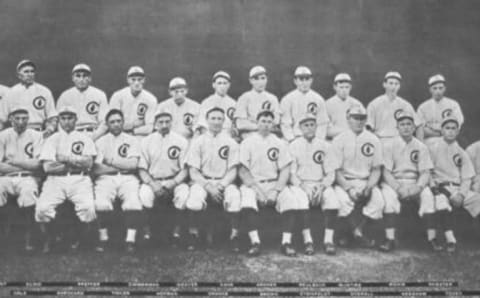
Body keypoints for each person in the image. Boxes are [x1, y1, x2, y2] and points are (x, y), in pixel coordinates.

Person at [238, 110, 309, 257]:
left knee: (289, 200)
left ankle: (286, 242)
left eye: (269, 122)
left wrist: (276, 191)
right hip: (253, 183)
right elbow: (243, 169)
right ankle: (255, 242)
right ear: (257, 123)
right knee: (247, 201)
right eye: (263, 121)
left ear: (273, 124)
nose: (266, 124)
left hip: (274, 183)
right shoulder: (247, 142)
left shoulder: (279, 143)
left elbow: (285, 169)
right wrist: (255, 189)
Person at [35, 106, 97, 253]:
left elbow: (89, 163)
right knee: (42, 209)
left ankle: (80, 240)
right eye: (63, 118)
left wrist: (64, 159)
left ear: (76, 119)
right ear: (59, 120)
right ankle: (50, 238)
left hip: (80, 179)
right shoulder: (52, 139)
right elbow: (48, 167)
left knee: (88, 209)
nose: (67, 121)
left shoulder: (85, 138)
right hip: (55, 180)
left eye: (70, 118)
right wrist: (75, 163)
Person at [379, 111, 438, 252]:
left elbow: (425, 172)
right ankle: (390, 239)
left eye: (409, 124)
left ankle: (432, 239)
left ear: (413, 127)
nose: (405, 127)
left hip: (414, 182)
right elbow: (386, 172)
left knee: (428, 197)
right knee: (389, 199)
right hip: (394, 182)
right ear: (397, 127)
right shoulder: (389, 145)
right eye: (402, 124)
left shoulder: (421, 146)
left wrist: (418, 187)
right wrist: (398, 188)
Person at [184, 107, 241, 251]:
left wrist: (220, 186)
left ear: (224, 121)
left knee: (234, 198)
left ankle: (234, 237)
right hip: (203, 181)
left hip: (224, 181)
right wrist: (209, 187)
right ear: (207, 120)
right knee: (194, 200)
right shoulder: (198, 142)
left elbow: (233, 170)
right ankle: (193, 235)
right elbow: (193, 171)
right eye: (213, 118)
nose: (216, 122)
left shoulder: (231, 142)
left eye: (220, 119)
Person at [333, 105, 384, 248]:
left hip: (365, 181)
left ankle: (357, 230)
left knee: (378, 202)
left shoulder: (373, 140)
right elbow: (335, 170)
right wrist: (349, 189)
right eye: (355, 118)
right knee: (342, 202)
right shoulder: (339, 140)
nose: (359, 121)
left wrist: (369, 187)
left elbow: (376, 169)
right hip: (344, 181)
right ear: (348, 119)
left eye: (362, 118)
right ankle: (355, 233)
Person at [289, 114, 340, 255]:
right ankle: (308, 241)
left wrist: (322, 186)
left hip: (320, 183)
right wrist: (302, 186)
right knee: (302, 201)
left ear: (316, 127)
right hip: (301, 184)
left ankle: (328, 241)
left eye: (312, 124)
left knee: (333, 201)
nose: (309, 128)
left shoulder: (325, 145)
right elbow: (291, 174)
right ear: (300, 127)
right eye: (306, 125)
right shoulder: (293, 145)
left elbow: (331, 173)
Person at [93, 109, 142, 253]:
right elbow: (97, 169)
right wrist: (120, 165)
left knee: (133, 202)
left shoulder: (132, 140)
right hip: (106, 178)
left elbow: (133, 165)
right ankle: (104, 239)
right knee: (101, 203)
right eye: (112, 122)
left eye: (118, 121)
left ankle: (130, 240)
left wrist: (111, 161)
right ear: (107, 124)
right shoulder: (100, 141)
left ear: (123, 122)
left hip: (128, 178)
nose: (116, 124)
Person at [428, 116, 480, 253]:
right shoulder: (433, 148)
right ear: (442, 130)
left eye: (453, 128)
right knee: (441, 203)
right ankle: (450, 240)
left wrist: (462, 195)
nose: (450, 131)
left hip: (458, 188)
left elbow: (467, 177)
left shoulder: (461, 152)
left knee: (478, 200)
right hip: (441, 187)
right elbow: (427, 172)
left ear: (458, 131)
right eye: (447, 128)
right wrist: (434, 187)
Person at [138, 111, 189, 246]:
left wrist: (174, 182)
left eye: (167, 121)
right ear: (155, 124)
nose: (164, 125)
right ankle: (147, 233)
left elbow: (185, 168)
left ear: (172, 123)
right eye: (161, 122)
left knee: (183, 195)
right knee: (144, 196)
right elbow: (142, 169)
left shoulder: (181, 141)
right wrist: (153, 184)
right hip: (153, 180)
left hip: (175, 179)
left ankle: (176, 234)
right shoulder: (146, 141)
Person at [0, 107, 43, 252]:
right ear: (11, 119)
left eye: (24, 118)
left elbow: (37, 164)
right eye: (17, 118)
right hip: (7, 178)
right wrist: (25, 165)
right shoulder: (3, 135)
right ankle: (3, 239)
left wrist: (14, 162)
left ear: (28, 119)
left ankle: (28, 239)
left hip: (28, 178)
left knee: (29, 192)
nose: (21, 122)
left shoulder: (36, 135)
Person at [0, 60, 57, 136]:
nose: (29, 74)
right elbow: (1, 118)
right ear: (19, 75)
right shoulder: (11, 93)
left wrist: (49, 130)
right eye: (26, 72)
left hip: (38, 132)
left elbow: (52, 117)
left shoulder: (44, 91)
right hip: (16, 134)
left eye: (32, 71)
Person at [366, 71, 422, 145]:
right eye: (391, 83)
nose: (393, 87)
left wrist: (419, 145)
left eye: (396, 84)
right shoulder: (374, 104)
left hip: (400, 141)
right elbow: (368, 128)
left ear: (399, 86)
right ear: (384, 84)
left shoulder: (405, 105)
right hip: (381, 141)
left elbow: (418, 125)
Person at [56, 64, 109, 140]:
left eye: (85, 76)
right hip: (71, 134)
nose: (81, 79)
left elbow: (105, 122)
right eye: (78, 76)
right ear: (73, 78)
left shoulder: (99, 94)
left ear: (90, 78)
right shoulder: (65, 96)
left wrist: (94, 137)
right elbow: (59, 121)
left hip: (93, 134)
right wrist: (66, 137)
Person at [280, 66, 328, 142]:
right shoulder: (287, 99)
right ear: (295, 81)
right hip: (295, 137)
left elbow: (322, 123)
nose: (304, 83)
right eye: (301, 79)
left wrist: (318, 140)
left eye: (307, 79)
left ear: (311, 80)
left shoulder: (318, 99)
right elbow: (285, 124)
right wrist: (292, 139)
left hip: (314, 138)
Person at [109, 66, 157, 137]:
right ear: (128, 80)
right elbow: (113, 124)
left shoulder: (151, 99)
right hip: (120, 135)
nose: (137, 83)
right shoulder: (118, 96)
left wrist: (132, 131)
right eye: (133, 79)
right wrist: (134, 124)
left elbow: (149, 128)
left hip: (140, 136)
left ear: (144, 80)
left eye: (139, 79)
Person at [235, 66, 281, 140]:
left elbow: (276, 121)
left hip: (269, 133)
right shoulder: (244, 98)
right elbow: (240, 124)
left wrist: (259, 124)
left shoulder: (272, 98)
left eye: (263, 78)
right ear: (250, 81)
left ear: (266, 79)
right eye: (256, 79)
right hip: (250, 133)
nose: (260, 82)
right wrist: (260, 126)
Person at [417, 74, 464, 146]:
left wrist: (444, 133)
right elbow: (421, 130)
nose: (438, 91)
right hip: (429, 141)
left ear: (445, 88)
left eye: (440, 88)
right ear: (430, 89)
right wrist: (440, 133)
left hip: (448, 141)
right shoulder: (423, 107)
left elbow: (457, 126)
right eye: (435, 88)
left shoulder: (453, 105)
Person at [195, 71, 237, 138]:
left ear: (229, 85)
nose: (222, 86)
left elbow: (236, 126)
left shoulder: (233, 103)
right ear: (214, 85)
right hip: (210, 135)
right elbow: (202, 126)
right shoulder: (207, 102)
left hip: (229, 136)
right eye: (219, 83)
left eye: (225, 83)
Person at [325, 73, 364, 139]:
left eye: (347, 87)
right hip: (335, 140)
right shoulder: (327, 104)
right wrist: (347, 131)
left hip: (353, 139)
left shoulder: (357, 104)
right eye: (341, 87)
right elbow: (326, 130)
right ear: (335, 87)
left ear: (350, 87)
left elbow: (363, 125)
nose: (344, 90)